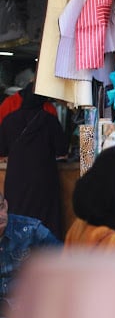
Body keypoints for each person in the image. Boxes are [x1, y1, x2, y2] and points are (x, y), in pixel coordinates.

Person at [0, 81, 67, 238]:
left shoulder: (9, 120)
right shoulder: (50, 121)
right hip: (44, 180)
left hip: (16, 180)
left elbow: (2, 149)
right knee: (45, 222)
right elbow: (62, 149)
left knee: (18, 220)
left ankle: (19, 257)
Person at [0, 191, 60, 299]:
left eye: (1, 207)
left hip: (24, 305)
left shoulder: (30, 229)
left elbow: (63, 257)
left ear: (6, 204)